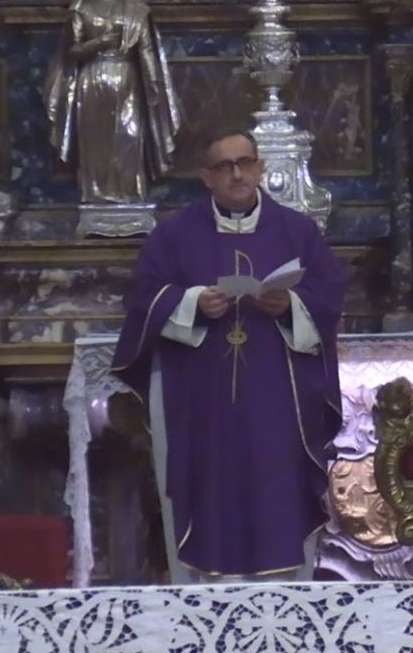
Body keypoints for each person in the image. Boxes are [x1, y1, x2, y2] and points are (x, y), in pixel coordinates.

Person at [111, 129, 345, 582]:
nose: (237, 174)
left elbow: (329, 298)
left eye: (245, 163)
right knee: (208, 494)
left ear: (260, 169)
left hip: (278, 402)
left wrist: (290, 306)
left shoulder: (299, 231)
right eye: (224, 166)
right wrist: (192, 303)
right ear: (206, 178)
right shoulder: (174, 235)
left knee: (279, 494)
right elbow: (143, 299)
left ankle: (286, 600)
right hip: (201, 404)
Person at [45, 0, 181, 204]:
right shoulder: (81, 8)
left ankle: (130, 193)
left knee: (129, 137)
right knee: (95, 144)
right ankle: (95, 195)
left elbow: (147, 50)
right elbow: (71, 51)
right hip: (92, 78)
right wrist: (99, 42)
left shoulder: (136, 8)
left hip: (127, 78)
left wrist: (153, 85)